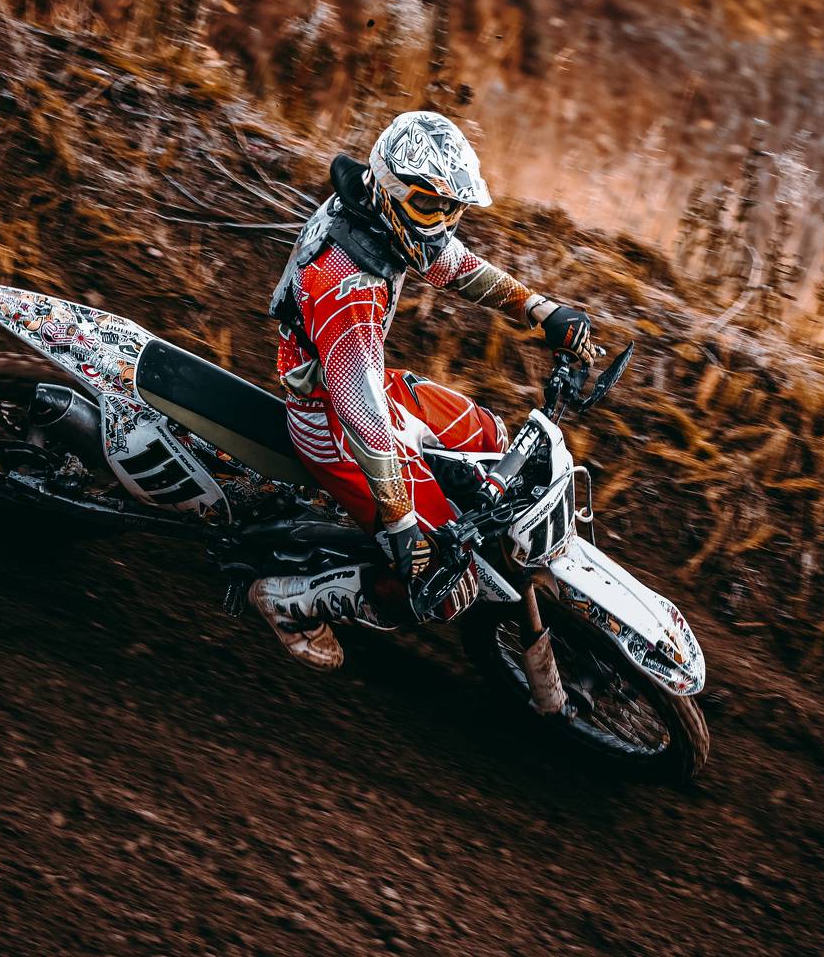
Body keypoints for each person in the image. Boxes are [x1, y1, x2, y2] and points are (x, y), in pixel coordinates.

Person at [249, 111, 595, 669]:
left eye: (451, 209)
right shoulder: (349, 286)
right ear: (391, 189)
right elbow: (362, 422)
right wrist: (401, 523)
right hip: (330, 419)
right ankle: (291, 601)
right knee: (442, 581)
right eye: (429, 206)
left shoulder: (379, 214)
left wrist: (538, 309)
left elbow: (452, 264)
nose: (441, 223)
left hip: (362, 385)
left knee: (491, 438)